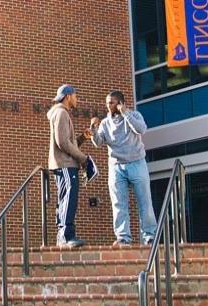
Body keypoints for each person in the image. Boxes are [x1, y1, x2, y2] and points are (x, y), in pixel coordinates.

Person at [89, 90, 157, 246]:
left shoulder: (134, 115)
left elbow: (141, 129)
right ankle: (123, 238)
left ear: (120, 103)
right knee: (119, 203)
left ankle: (149, 236)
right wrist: (93, 129)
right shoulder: (106, 123)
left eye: (111, 102)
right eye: (107, 103)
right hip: (116, 166)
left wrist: (125, 113)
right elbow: (99, 142)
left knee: (145, 201)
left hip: (137, 163)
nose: (108, 105)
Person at [47, 84, 89, 248]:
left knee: (65, 198)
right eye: (75, 96)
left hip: (64, 163)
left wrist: (83, 138)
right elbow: (62, 142)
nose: (76, 99)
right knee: (68, 198)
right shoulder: (61, 113)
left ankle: (63, 236)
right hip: (65, 164)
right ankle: (65, 236)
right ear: (68, 96)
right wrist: (83, 158)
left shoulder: (60, 113)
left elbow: (68, 142)